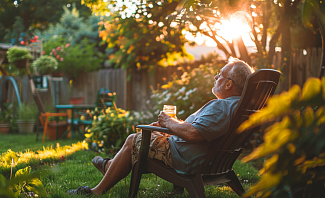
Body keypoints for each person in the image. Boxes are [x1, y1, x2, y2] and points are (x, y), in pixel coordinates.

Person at [67, 57, 255, 196]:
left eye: (219, 74)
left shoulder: (221, 107)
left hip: (185, 159)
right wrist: (171, 127)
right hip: (203, 158)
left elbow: (194, 134)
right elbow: (196, 129)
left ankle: (97, 189)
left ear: (229, 84)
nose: (215, 77)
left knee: (134, 140)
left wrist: (167, 122)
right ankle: (109, 166)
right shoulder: (235, 106)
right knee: (145, 138)